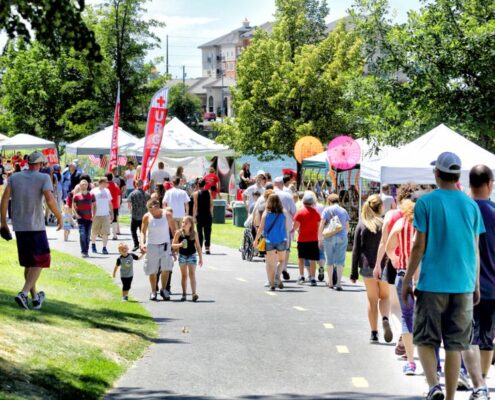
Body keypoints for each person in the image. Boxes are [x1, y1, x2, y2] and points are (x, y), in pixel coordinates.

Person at [402, 152, 485, 400]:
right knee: (455, 345)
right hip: (463, 285)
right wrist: (476, 284)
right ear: (458, 175)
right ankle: (449, 396)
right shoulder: (471, 205)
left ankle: (433, 386)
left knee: (426, 339)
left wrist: (407, 281)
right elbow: (475, 248)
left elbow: (418, 246)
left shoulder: (426, 203)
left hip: (432, 284)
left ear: (437, 174)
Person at [0, 151, 63, 310]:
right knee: (42, 260)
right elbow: (49, 199)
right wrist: (60, 216)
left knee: (29, 264)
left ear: (28, 162)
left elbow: (4, 198)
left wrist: (3, 223)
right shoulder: (44, 178)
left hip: (19, 226)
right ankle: (24, 293)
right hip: (35, 226)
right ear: (41, 164)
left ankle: (35, 299)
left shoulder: (15, 177)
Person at [458, 165, 494, 400]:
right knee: (487, 339)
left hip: (464, 284)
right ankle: (480, 381)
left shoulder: (463, 211)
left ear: (469, 183)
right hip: (492, 285)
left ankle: (476, 383)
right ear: (490, 183)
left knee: (467, 336)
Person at [351, 194, 392, 344]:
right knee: (385, 297)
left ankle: (374, 333)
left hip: (367, 267)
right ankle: (385, 318)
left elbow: (356, 250)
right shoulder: (384, 225)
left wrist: (353, 272)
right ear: (380, 207)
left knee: (372, 299)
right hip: (384, 266)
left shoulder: (362, 225)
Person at [386, 199, 417, 375]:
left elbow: (390, 246)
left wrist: (395, 258)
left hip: (403, 273)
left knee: (406, 316)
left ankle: (411, 361)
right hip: (423, 277)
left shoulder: (400, 222)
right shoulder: (425, 224)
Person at [141, 199, 176, 301]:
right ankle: (153, 291)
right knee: (152, 270)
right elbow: (142, 232)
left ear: (156, 207)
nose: (150, 212)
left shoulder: (167, 215)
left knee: (166, 269)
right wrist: (142, 243)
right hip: (152, 245)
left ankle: (164, 289)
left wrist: (174, 246)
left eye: (151, 210)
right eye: (149, 210)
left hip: (165, 245)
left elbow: (174, 231)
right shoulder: (147, 216)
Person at [254, 194, 290, 291]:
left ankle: (272, 284)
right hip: (281, 239)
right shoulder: (283, 214)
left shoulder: (266, 214)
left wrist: (256, 240)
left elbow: (260, 228)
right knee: (281, 260)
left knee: (270, 263)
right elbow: (287, 228)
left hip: (269, 240)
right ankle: (278, 275)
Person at [320, 193, 350, 291]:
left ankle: (330, 282)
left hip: (329, 237)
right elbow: (347, 226)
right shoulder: (344, 210)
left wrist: (320, 237)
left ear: (329, 201)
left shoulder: (327, 210)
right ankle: (338, 283)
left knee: (329, 261)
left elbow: (322, 224)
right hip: (341, 236)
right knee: (340, 261)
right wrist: (344, 235)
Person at [172, 215, 203, 302]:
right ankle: (184, 294)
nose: (183, 224)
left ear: (190, 224)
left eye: (186, 222)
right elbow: (173, 245)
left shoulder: (194, 233)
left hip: (192, 255)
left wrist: (200, 258)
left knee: (192, 274)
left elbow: (198, 246)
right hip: (182, 256)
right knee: (184, 275)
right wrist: (180, 245)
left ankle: (194, 294)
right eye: (183, 222)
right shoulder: (178, 233)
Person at [293, 193, 321, 286]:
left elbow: (296, 225)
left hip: (302, 239)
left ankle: (301, 276)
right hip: (313, 239)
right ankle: (313, 278)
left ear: (304, 202)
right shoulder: (316, 212)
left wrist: (295, 230)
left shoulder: (300, 212)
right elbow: (318, 225)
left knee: (301, 258)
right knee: (312, 259)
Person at [273, 176, 297, 281]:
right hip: (286, 226)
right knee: (286, 249)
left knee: (273, 250)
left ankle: (274, 272)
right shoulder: (288, 196)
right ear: (282, 184)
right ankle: (283, 268)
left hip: (272, 227)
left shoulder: (270, 195)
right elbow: (294, 212)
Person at [90, 177, 113, 255]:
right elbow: (90, 203)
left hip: (105, 215)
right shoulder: (93, 191)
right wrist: (91, 214)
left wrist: (112, 213)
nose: (107, 184)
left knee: (105, 232)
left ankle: (104, 247)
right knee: (94, 232)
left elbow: (110, 202)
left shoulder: (107, 191)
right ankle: (93, 244)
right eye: (106, 182)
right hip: (96, 215)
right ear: (102, 182)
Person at [72, 179, 94, 257]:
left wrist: (93, 215)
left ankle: (86, 251)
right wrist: (76, 215)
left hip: (89, 218)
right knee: (82, 234)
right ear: (80, 186)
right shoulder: (77, 196)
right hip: (81, 218)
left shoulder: (91, 195)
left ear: (87, 186)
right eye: (82, 184)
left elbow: (94, 206)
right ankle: (83, 251)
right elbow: (73, 207)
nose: (84, 186)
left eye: (85, 184)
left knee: (87, 236)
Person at [127, 179, 150, 252]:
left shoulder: (132, 194)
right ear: (142, 184)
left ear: (136, 185)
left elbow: (129, 204)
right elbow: (150, 204)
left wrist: (130, 212)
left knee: (133, 230)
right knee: (143, 231)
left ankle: (136, 244)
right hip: (144, 216)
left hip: (135, 215)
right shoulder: (147, 194)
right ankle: (143, 244)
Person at [193, 179, 213, 254]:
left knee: (199, 232)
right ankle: (207, 248)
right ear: (205, 185)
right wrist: (211, 213)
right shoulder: (209, 192)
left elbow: (195, 206)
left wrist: (194, 216)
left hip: (199, 214)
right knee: (207, 232)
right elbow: (211, 204)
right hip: (207, 214)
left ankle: (200, 247)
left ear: (198, 185)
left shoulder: (195, 194)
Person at [106, 173, 121, 240]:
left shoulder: (105, 186)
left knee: (106, 219)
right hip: (115, 205)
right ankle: (114, 235)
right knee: (114, 219)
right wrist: (118, 204)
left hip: (106, 205)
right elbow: (119, 196)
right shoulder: (116, 185)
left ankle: (106, 233)